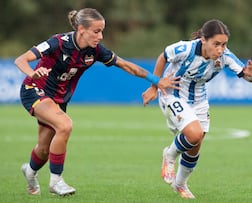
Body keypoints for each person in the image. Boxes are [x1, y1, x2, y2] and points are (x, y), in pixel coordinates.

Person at [15, 8, 179, 196]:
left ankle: (30, 171)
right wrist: (32, 73)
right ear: (81, 29)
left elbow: (126, 65)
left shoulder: (96, 51)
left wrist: (156, 81)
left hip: (58, 99)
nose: (100, 36)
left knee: (44, 148)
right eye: (96, 31)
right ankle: (56, 181)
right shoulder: (58, 42)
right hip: (34, 90)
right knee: (65, 125)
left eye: (102, 31)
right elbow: (21, 60)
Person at [142, 19, 252, 199]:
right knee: (194, 134)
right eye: (216, 44)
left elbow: (245, 75)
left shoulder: (225, 56)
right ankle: (170, 155)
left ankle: (180, 184)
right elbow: (163, 56)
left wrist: (251, 76)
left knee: (195, 145)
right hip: (173, 93)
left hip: (199, 100)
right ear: (204, 40)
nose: (220, 49)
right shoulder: (186, 49)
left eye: (224, 44)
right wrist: (154, 85)